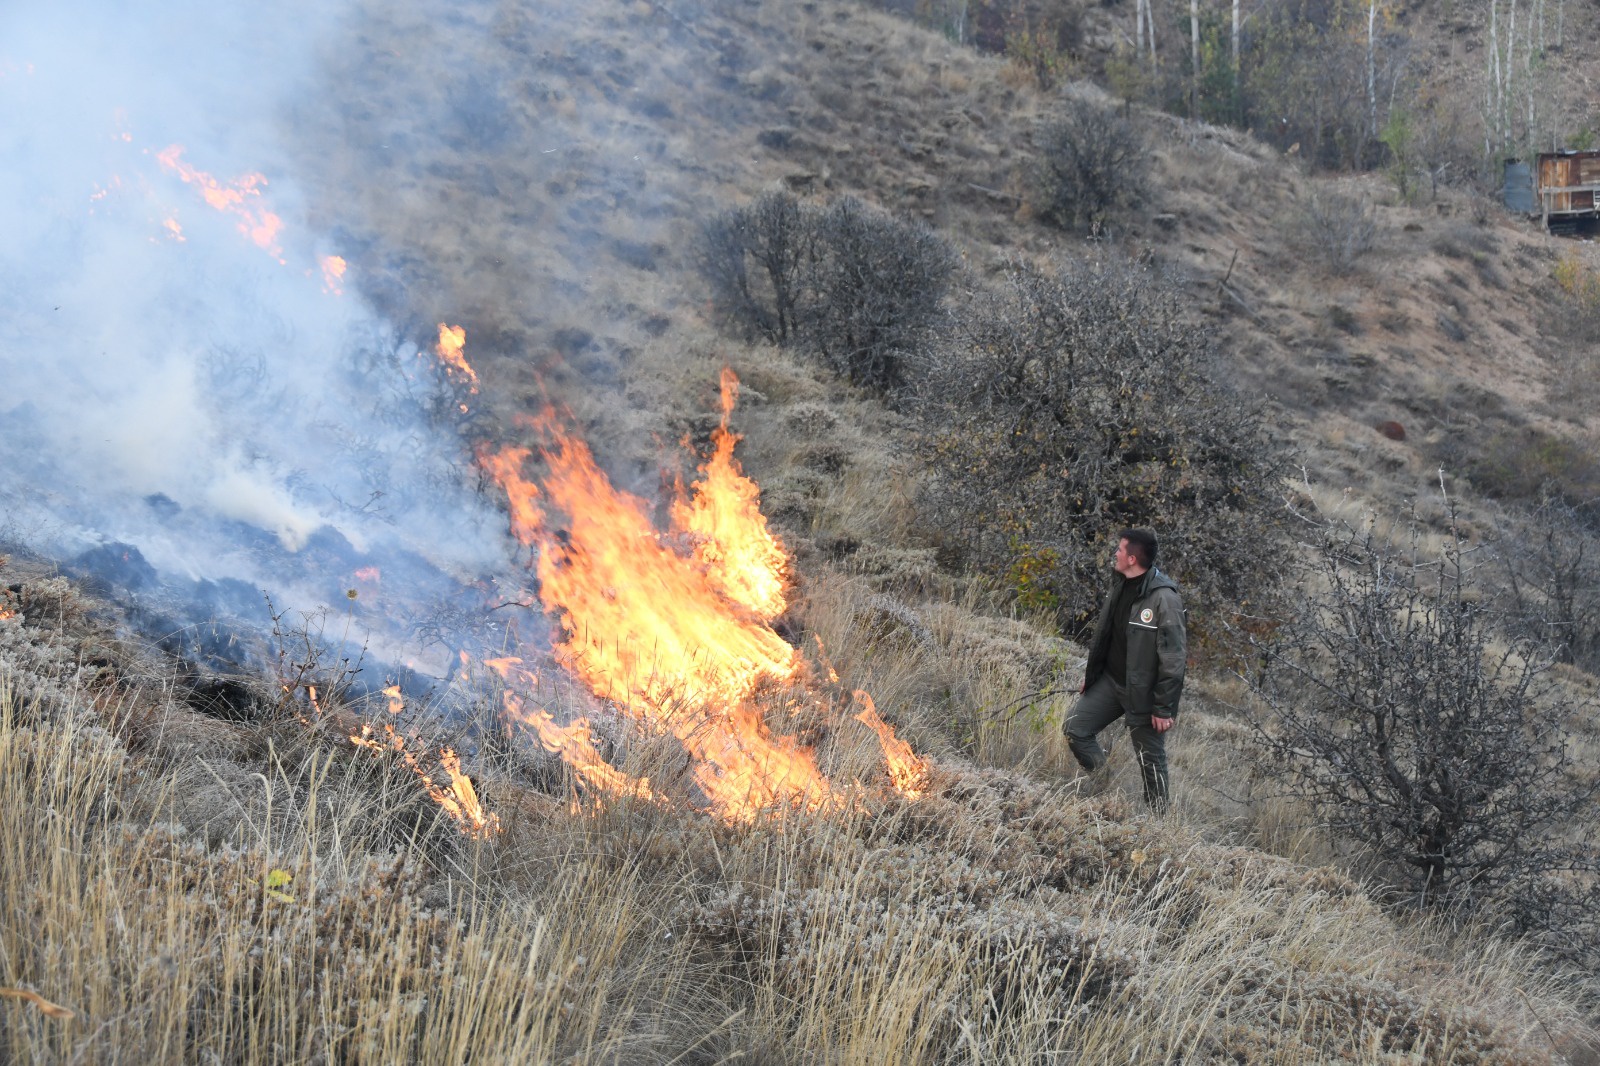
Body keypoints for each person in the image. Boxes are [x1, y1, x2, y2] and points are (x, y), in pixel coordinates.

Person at [1063, 528, 1186, 811]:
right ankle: (1104, 786)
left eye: (1119, 549)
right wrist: (1093, 676)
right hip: (1111, 682)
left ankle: (1159, 823)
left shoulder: (1164, 599)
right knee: (1075, 728)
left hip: (1144, 694)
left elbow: (1174, 658)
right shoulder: (1121, 584)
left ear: (1132, 558)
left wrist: (1164, 708)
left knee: (1150, 760)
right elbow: (1108, 635)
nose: (1115, 554)